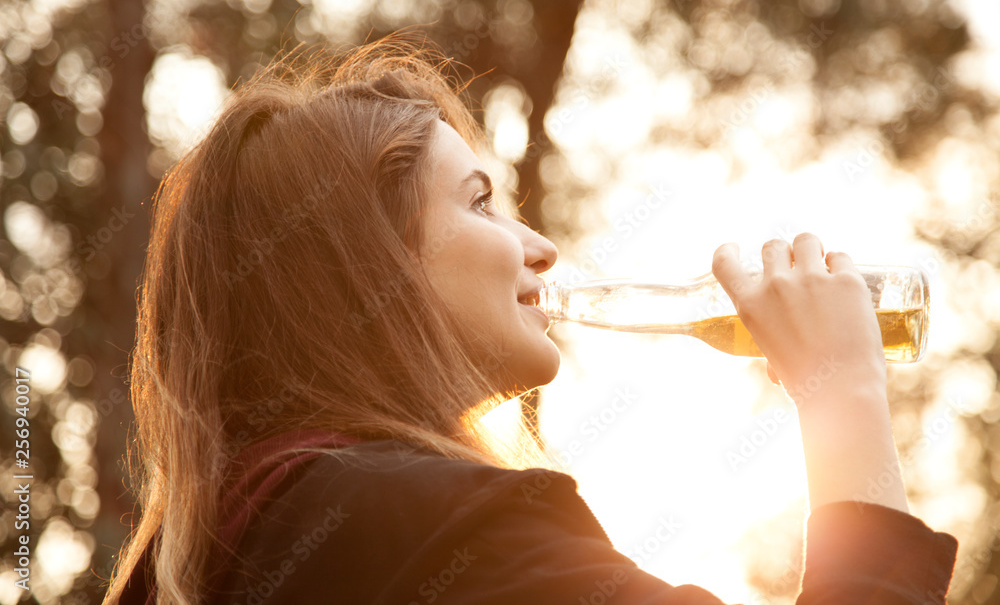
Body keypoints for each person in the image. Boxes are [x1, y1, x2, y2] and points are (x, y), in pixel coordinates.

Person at [105, 35, 957, 605]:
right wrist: (842, 394)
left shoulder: (195, 558)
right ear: (370, 265)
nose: (541, 248)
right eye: (480, 202)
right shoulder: (451, 529)